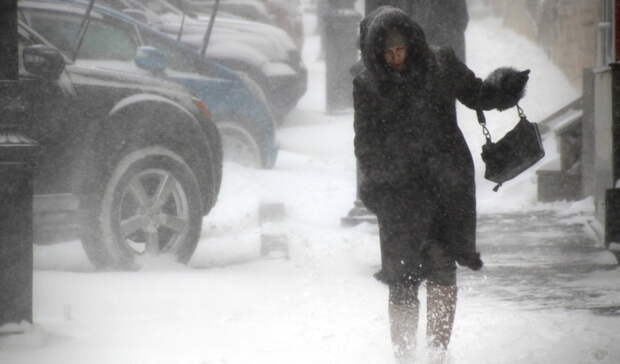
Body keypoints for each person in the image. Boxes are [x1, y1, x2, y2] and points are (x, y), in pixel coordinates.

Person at [352, 6, 529, 362]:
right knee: (402, 278)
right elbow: (365, 141)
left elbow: (477, 94)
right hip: (398, 195)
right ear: (376, 53)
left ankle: (436, 354)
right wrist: (381, 181)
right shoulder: (367, 81)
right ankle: (404, 356)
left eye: (400, 49)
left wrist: (504, 88)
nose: (395, 58)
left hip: (446, 188)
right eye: (387, 53)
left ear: (412, 44)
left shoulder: (441, 64)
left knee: (442, 270)